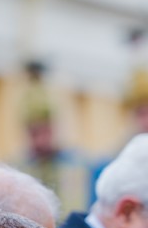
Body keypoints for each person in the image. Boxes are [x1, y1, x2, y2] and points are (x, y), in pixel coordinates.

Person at [16, 60, 95, 217]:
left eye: (45, 131)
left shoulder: (76, 166)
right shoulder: (19, 170)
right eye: (34, 133)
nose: (40, 140)